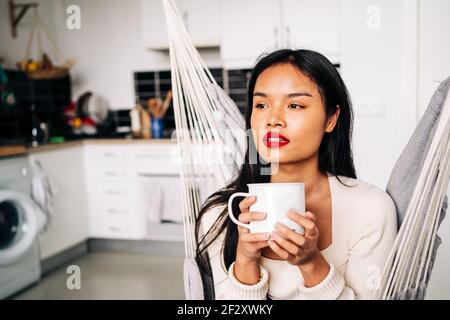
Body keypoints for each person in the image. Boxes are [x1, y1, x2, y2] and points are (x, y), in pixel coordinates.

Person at [195, 49, 397, 300]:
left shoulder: (370, 209)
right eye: (261, 105)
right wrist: (246, 262)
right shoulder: (221, 217)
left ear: (331, 119)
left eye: (294, 105)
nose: (273, 120)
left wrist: (311, 263)